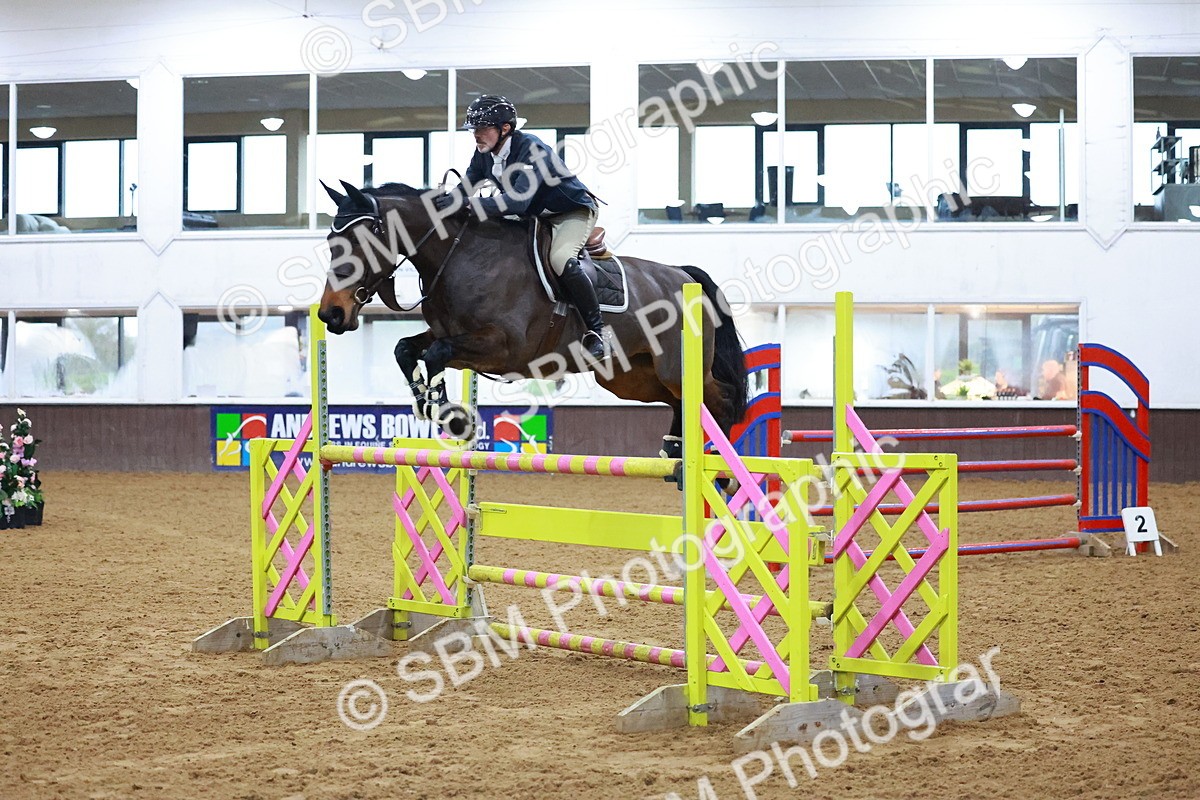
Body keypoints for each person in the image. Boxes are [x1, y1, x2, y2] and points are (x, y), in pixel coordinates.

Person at [435, 95, 606, 360]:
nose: (476, 134)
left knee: (560, 258)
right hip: (534, 216)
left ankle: (597, 332)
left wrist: (467, 204)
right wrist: (439, 204)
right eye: (473, 129)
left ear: (505, 128)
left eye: (482, 128)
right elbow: (465, 189)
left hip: (570, 211)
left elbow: (518, 201)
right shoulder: (483, 155)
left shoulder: (531, 149)